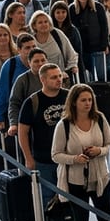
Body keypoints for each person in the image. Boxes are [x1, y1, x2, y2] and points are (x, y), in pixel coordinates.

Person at [51, 84, 110, 221]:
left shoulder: (99, 119)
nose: (88, 103)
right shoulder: (64, 125)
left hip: (100, 178)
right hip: (76, 181)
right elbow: (55, 154)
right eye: (83, 100)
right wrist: (74, 159)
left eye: (90, 100)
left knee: (107, 219)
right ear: (74, 102)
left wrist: (99, 151)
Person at [17, 62, 68, 205]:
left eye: (60, 76)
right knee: (47, 198)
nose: (59, 80)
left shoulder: (69, 96)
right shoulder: (32, 102)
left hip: (67, 158)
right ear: (43, 80)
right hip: (44, 160)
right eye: (53, 77)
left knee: (71, 197)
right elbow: (23, 132)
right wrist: (28, 158)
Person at [0, 34, 36, 133]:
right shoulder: (10, 66)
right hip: (16, 113)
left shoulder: (41, 63)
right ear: (19, 50)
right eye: (27, 48)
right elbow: (2, 92)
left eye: (34, 46)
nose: (32, 50)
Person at [71, 0, 109, 81]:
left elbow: (104, 27)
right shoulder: (71, 9)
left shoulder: (98, 7)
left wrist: (104, 44)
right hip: (82, 49)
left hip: (98, 46)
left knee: (102, 75)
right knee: (87, 76)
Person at [29, 10, 78, 83]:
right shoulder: (31, 40)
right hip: (41, 80)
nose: (44, 24)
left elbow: (71, 54)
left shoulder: (57, 34)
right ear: (34, 26)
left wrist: (71, 67)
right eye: (40, 22)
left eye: (46, 22)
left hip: (61, 78)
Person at [48, 0, 83, 77]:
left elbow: (78, 50)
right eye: (58, 12)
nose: (61, 15)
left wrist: (76, 65)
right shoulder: (50, 31)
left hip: (72, 67)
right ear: (53, 14)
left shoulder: (73, 30)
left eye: (63, 12)